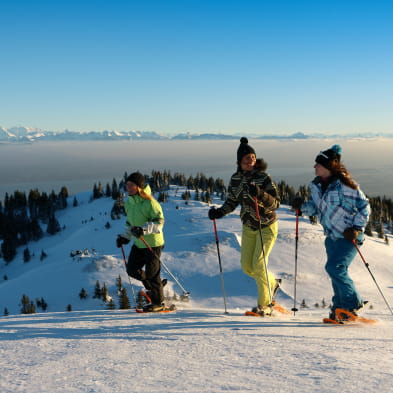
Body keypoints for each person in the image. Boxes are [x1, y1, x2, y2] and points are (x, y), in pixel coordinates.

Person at [294, 145, 370, 322]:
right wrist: (301, 206)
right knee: (335, 272)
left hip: (348, 236)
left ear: (328, 166)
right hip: (331, 237)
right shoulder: (316, 186)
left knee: (334, 268)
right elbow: (315, 208)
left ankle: (352, 304)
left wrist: (357, 228)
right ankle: (339, 309)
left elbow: (364, 206)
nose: (314, 167)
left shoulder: (345, 185)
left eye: (318, 164)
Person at [208, 137, 281, 316]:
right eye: (247, 158)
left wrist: (261, 194)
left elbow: (276, 204)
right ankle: (273, 283)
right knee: (247, 267)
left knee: (258, 264)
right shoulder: (235, 179)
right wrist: (219, 212)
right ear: (240, 161)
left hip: (266, 225)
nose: (251, 161)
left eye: (253, 158)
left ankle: (265, 305)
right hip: (249, 226)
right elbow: (233, 201)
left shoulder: (263, 177)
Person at [116, 172, 166, 312]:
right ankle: (154, 288)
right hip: (139, 243)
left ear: (139, 187)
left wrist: (143, 230)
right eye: (127, 185)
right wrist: (125, 237)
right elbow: (129, 223)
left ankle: (158, 302)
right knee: (132, 270)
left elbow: (159, 222)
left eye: (131, 185)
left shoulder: (150, 202)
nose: (128, 187)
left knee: (152, 273)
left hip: (153, 243)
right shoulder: (129, 204)